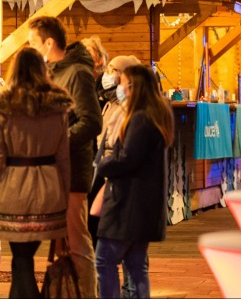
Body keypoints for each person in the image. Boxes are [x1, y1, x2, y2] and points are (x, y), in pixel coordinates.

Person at [28, 15, 102, 297]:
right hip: (58, 171)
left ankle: (88, 293)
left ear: (49, 43)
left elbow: (91, 121)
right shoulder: (54, 72)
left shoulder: (77, 73)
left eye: (33, 43)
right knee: (65, 244)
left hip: (73, 172)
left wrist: (57, 142)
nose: (31, 48)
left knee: (77, 241)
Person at [94, 65, 173, 298]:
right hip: (142, 203)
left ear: (133, 86)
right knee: (136, 265)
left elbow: (128, 158)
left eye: (121, 82)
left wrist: (102, 165)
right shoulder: (155, 115)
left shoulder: (140, 118)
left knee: (104, 260)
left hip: (128, 203)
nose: (118, 86)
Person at [0, 48, 72, 298]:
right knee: (22, 259)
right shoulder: (58, 107)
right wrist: (64, 195)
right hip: (48, 188)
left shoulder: (5, 106)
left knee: (21, 260)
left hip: (14, 188)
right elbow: (64, 158)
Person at [89, 55, 140, 245]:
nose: (107, 74)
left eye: (113, 70)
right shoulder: (107, 102)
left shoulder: (129, 108)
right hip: (103, 165)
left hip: (113, 170)